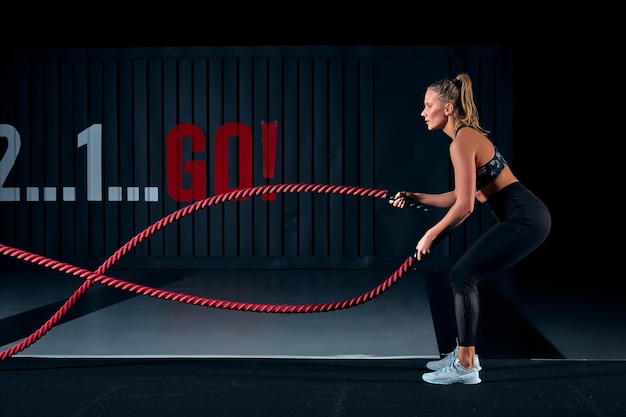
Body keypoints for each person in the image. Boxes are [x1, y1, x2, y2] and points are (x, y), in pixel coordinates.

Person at [389, 73, 551, 385]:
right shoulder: (466, 138)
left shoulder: (462, 142)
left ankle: (466, 364)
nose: (423, 112)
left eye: (428, 105)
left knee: (462, 275)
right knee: (464, 275)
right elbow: (459, 195)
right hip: (530, 217)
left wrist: (431, 234)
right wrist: (415, 196)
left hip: (526, 219)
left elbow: (465, 207)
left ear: (448, 108)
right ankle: (466, 355)